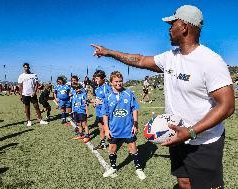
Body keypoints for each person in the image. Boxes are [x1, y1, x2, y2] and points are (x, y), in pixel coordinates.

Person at [91, 5, 235, 189]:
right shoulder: (171, 57)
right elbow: (141, 60)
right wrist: (109, 52)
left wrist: (190, 132)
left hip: (203, 141)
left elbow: (227, 106)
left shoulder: (210, 61)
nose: (168, 28)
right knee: (183, 181)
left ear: (184, 27)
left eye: (172, 23)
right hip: (176, 136)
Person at [101, 71, 146, 180]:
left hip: (128, 127)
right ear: (111, 82)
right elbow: (105, 114)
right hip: (114, 128)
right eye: (116, 81)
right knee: (112, 149)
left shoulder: (128, 93)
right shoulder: (107, 96)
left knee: (133, 148)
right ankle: (112, 167)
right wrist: (106, 129)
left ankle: (138, 168)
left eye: (120, 81)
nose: (119, 83)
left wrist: (135, 124)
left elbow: (134, 109)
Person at [92, 70, 112, 150]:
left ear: (103, 78)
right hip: (98, 112)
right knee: (101, 128)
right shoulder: (97, 89)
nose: (95, 80)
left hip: (105, 113)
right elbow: (98, 98)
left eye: (97, 78)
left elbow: (111, 100)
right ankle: (102, 143)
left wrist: (102, 102)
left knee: (106, 128)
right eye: (95, 78)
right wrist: (95, 102)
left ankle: (112, 143)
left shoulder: (106, 88)